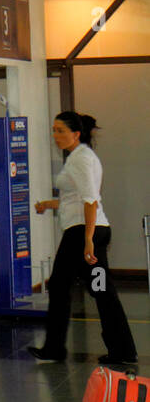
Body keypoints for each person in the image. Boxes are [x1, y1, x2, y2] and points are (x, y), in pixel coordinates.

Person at [28, 112, 137, 365]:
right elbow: (76, 199)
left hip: (82, 233)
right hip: (92, 230)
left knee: (60, 286)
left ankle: (55, 349)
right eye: (53, 130)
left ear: (76, 134)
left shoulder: (80, 159)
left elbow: (90, 199)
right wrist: (48, 204)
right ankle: (123, 350)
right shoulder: (81, 157)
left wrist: (88, 240)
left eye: (60, 131)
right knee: (101, 290)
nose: (55, 136)